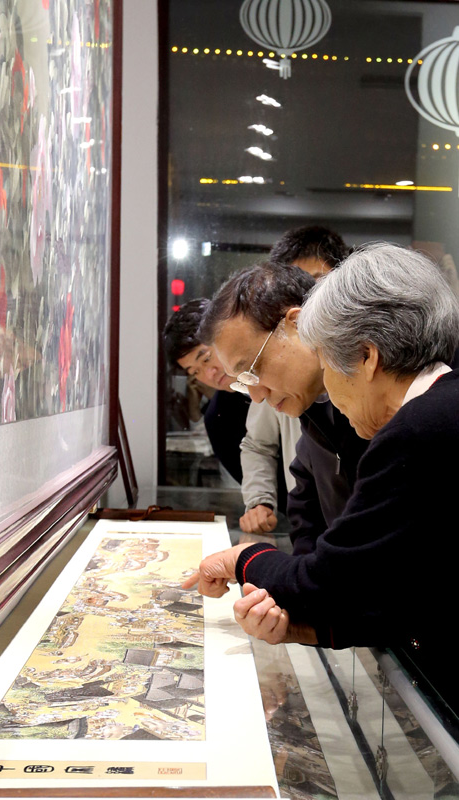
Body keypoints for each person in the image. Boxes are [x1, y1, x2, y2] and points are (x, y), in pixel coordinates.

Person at [185, 243, 459, 709]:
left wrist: (244, 559)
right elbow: (393, 590)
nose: (328, 385)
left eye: (328, 362)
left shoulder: (416, 430)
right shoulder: (434, 413)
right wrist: (301, 624)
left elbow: (335, 581)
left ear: (366, 356)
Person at [198, 261, 369, 555]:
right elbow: (306, 513)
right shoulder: (312, 409)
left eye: (253, 369)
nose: (257, 397)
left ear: (297, 324)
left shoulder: (376, 406)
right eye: (243, 382)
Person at [240, 225, 350, 535]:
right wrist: (260, 500)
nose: (307, 301)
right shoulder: (275, 378)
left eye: (316, 282)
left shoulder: (360, 367)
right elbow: (259, 445)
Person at [163, 299, 250, 484]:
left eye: (206, 358)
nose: (209, 374)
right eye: (195, 372)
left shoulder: (275, 375)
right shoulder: (217, 420)